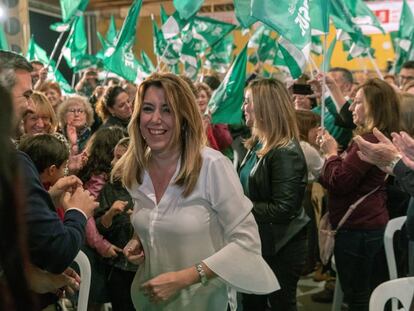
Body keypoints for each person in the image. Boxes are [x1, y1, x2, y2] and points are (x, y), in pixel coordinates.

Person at [113, 73, 278, 311]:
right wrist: (139, 239)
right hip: (149, 302)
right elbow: (151, 213)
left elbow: (246, 242)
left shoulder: (211, 166)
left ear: (184, 117)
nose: (155, 119)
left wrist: (185, 277)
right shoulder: (137, 168)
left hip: (204, 303)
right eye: (148, 109)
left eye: (168, 110)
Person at [0, 50, 98, 310]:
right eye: (27, 96)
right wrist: (77, 211)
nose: (32, 107)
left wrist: (47, 199)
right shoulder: (12, 162)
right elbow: (56, 251)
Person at [317, 78, 401, 311]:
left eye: (357, 103)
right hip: (367, 223)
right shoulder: (375, 136)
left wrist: (331, 154)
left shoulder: (369, 140)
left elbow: (340, 182)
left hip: (359, 228)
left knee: (357, 295)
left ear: (375, 106)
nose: (351, 108)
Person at [239, 78, 309, 311]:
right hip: (259, 240)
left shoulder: (285, 151)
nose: (243, 107)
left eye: (248, 101)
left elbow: (283, 208)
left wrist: (239, 207)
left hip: (281, 246)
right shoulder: (258, 143)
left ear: (264, 106)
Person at [95, 137, 138, 311]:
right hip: (118, 265)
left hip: (144, 265)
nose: (113, 162)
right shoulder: (110, 189)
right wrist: (110, 213)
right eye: (114, 156)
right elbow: (99, 227)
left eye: (119, 157)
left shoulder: (148, 187)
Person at [195, 82, 233, 152]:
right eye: (197, 97)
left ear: (208, 99)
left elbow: (227, 141)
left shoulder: (215, 116)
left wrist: (216, 124)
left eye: (203, 96)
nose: (200, 100)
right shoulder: (191, 119)